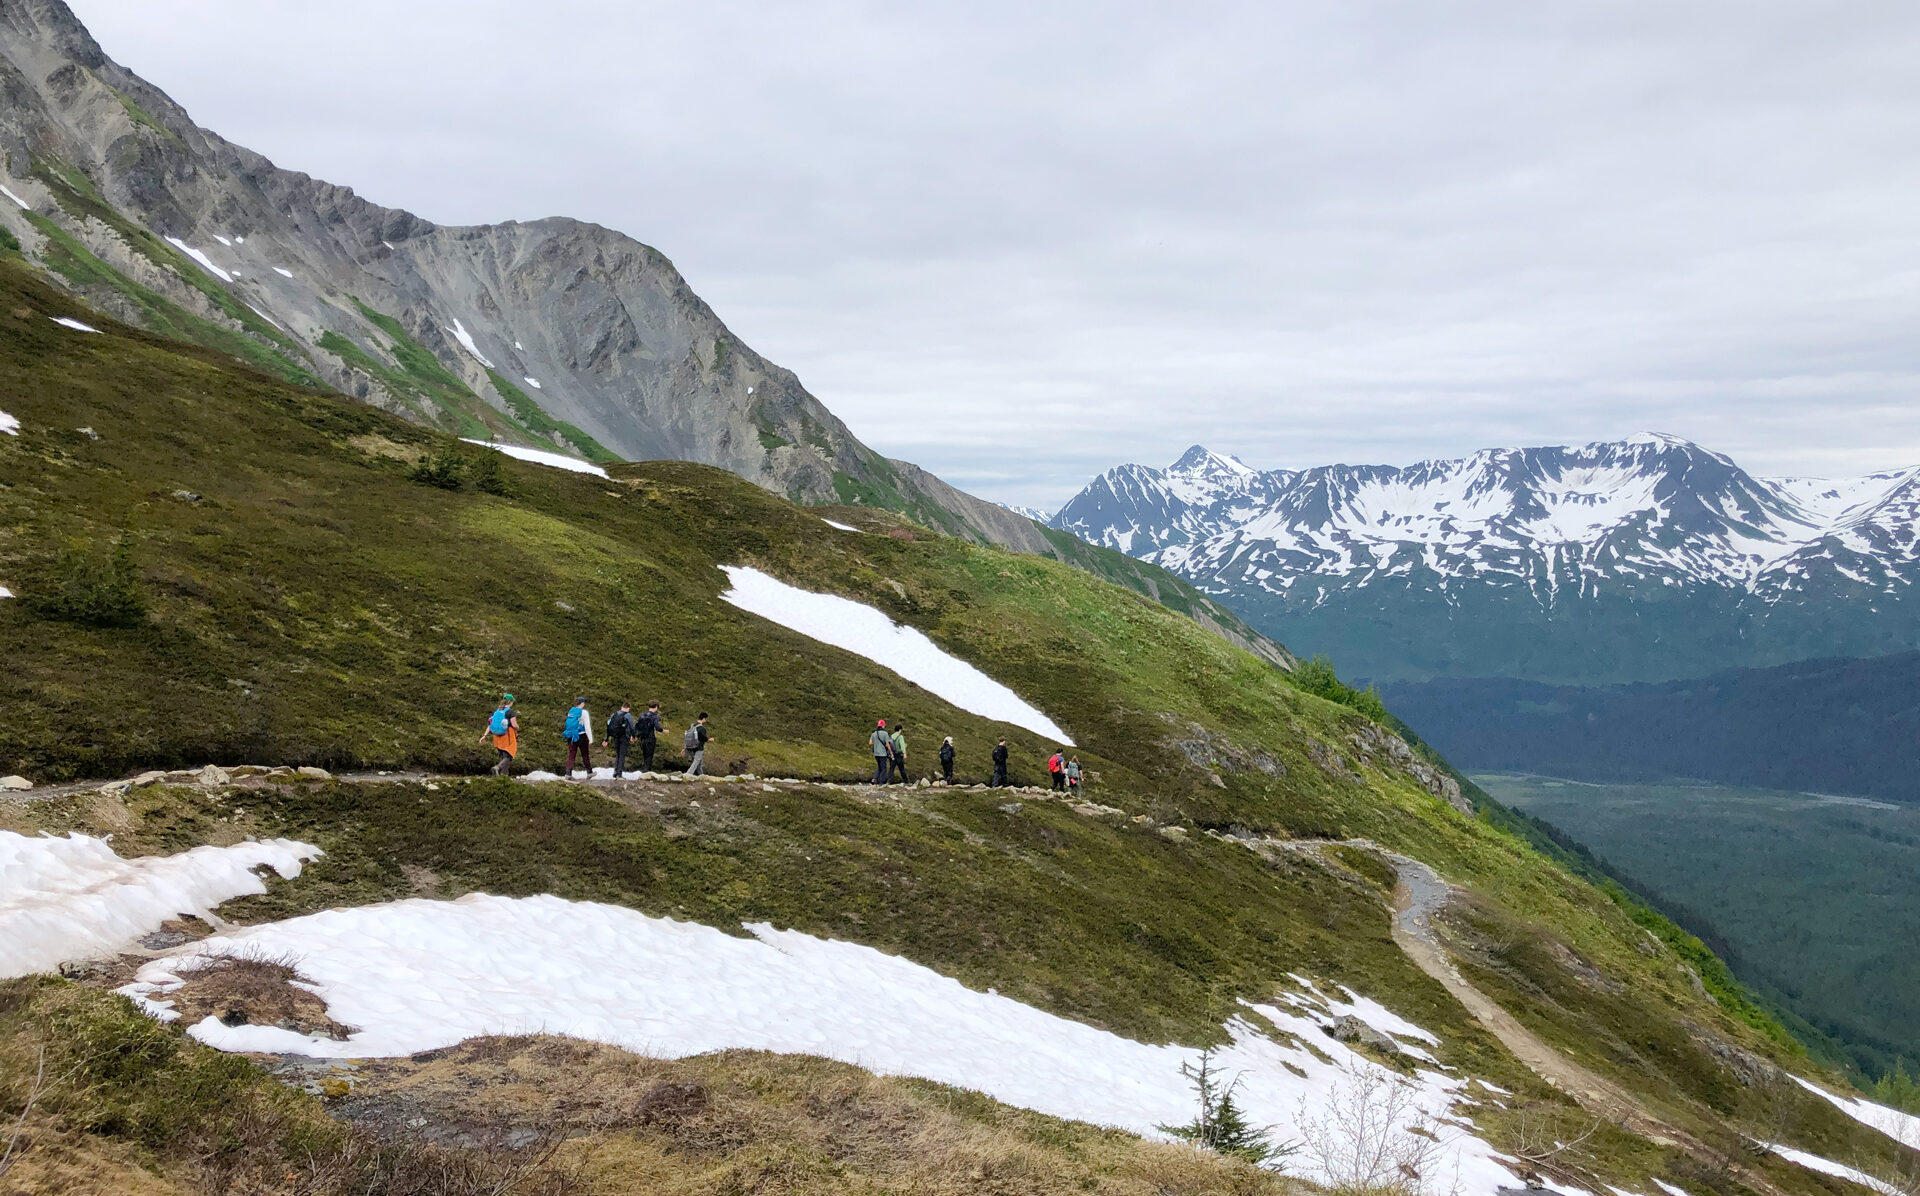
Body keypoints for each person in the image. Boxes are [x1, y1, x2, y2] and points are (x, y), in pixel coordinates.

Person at [481, 694, 519, 775]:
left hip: (497, 738)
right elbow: (514, 724)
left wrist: (484, 735)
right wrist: (518, 728)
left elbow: (490, 725)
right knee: (509, 756)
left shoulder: (497, 712)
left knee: (503, 757)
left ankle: (503, 777)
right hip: (507, 737)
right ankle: (497, 768)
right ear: (510, 702)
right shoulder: (510, 712)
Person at [563, 697, 593, 779]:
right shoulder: (584, 712)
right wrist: (590, 738)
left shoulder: (571, 711)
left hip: (571, 735)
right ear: (582, 703)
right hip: (581, 735)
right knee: (585, 754)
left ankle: (568, 773)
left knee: (572, 754)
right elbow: (587, 726)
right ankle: (589, 772)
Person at [607, 702, 638, 779]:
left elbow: (609, 724)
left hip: (616, 737)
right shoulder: (628, 715)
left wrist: (607, 738)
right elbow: (631, 727)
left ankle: (615, 772)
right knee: (622, 755)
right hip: (624, 737)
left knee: (618, 754)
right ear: (628, 708)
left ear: (622, 707)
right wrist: (633, 736)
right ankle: (619, 774)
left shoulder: (614, 714)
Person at [637, 701, 665, 772]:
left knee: (644, 754)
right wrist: (664, 731)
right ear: (656, 707)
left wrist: (635, 736)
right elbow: (657, 727)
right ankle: (647, 770)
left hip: (642, 737)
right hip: (650, 737)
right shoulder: (655, 716)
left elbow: (637, 726)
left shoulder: (642, 715)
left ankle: (645, 769)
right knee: (649, 755)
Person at [870, 719, 892, 785]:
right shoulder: (885, 733)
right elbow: (887, 744)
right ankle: (882, 782)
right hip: (883, 753)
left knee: (879, 766)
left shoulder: (874, 733)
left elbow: (870, 742)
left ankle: (875, 778)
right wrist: (891, 752)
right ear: (883, 726)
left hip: (876, 753)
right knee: (883, 768)